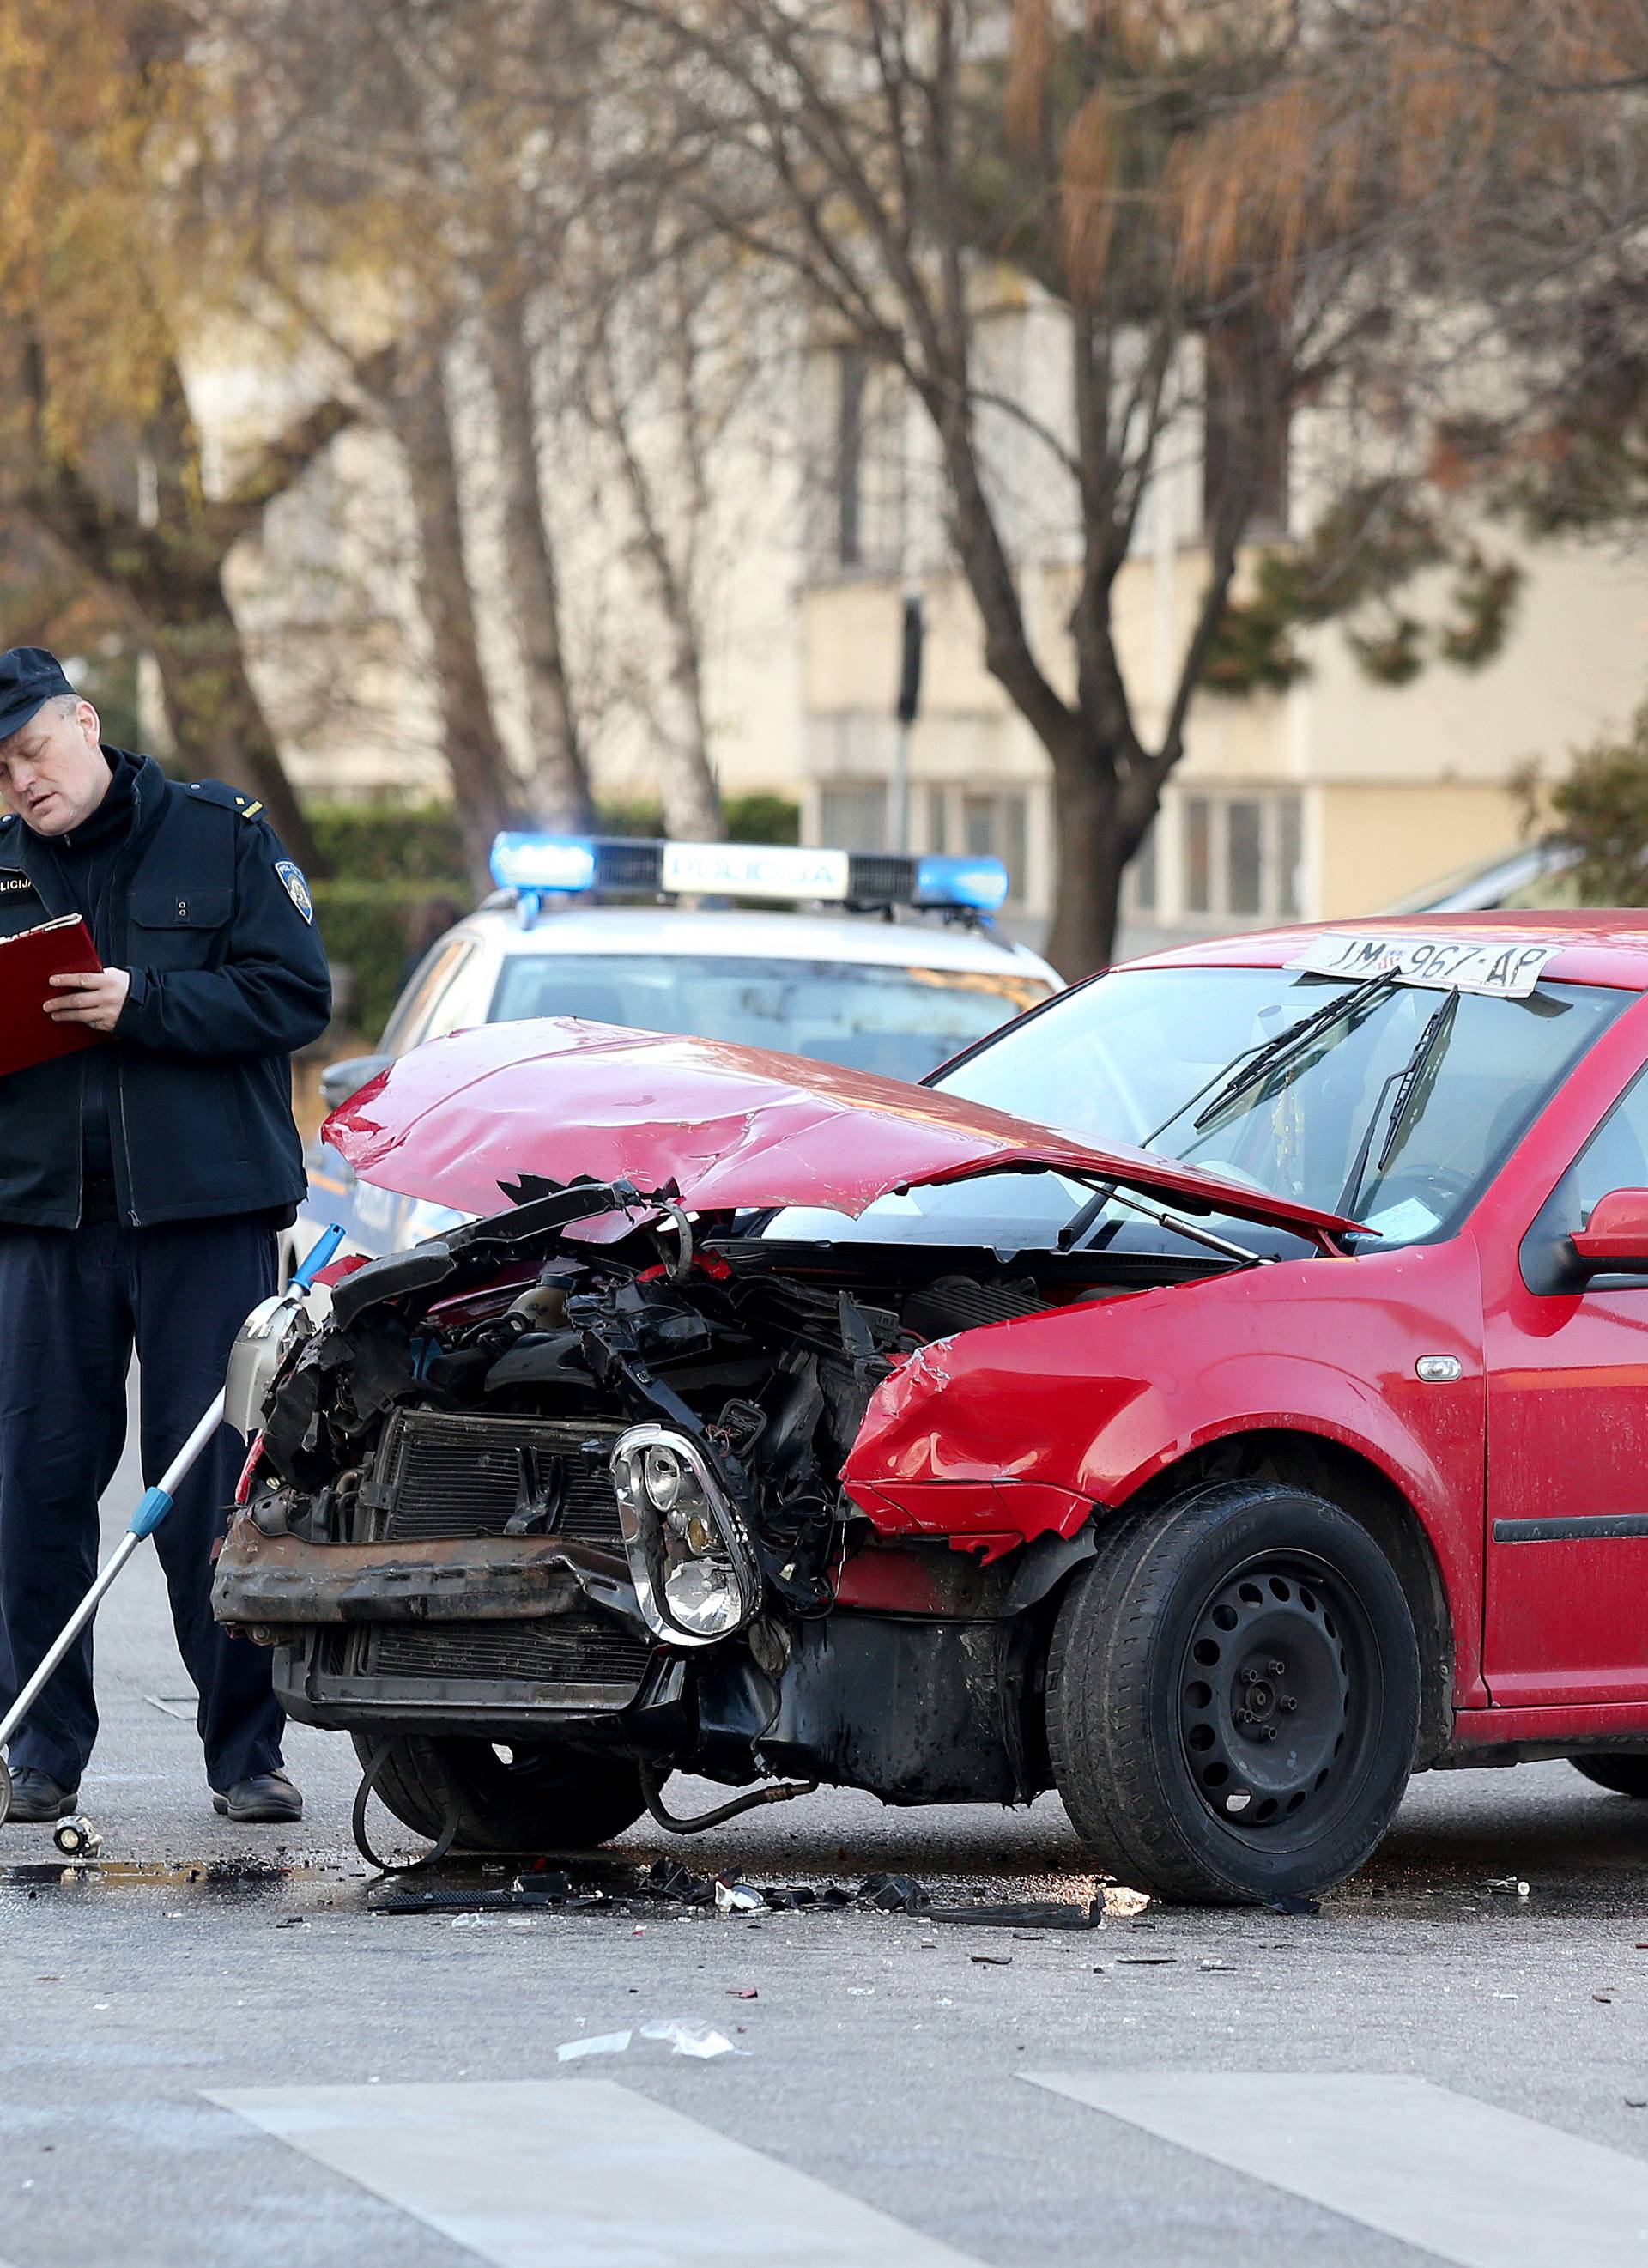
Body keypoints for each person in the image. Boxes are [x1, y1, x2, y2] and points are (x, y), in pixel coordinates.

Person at [0, 648, 330, 1825]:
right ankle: (39, 1751)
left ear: (83, 721)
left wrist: (144, 1001)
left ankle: (244, 1753)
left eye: (31, 750)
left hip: (205, 1216)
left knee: (208, 1492)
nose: (20, 782)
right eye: (0, 770)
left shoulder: (220, 834)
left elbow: (297, 996)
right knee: (33, 1487)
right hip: (44, 1223)